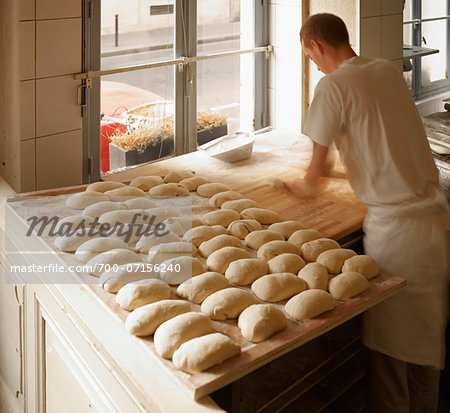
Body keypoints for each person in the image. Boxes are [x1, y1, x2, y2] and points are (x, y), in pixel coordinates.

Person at [286, 13, 450, 413]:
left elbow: (313, 181)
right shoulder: (385, 70)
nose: (315, 66)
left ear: (317, 46)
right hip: (434, 225)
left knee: (392, 362)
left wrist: (290, 186)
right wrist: (335, 172)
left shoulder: (332, 86)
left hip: (399, 239)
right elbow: (378, 152)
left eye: (310, 58)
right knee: (426, 353)